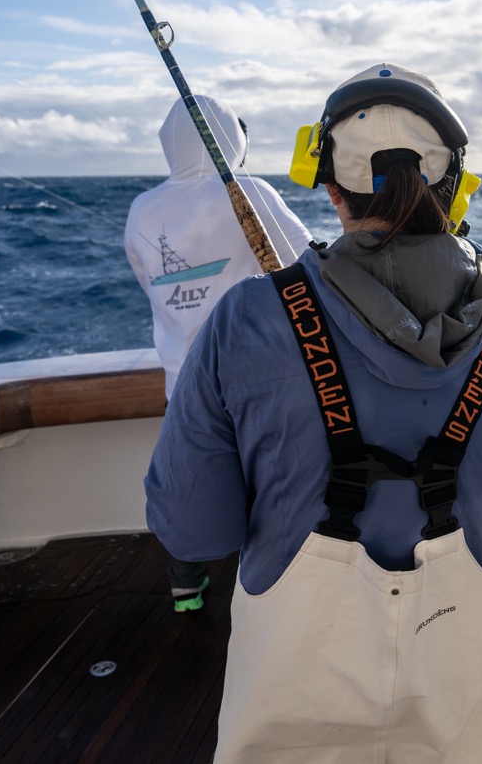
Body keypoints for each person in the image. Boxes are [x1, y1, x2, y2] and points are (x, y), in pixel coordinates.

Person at [144, 63, 482, 762]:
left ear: (330, 185)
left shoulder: (245, 318)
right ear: (453, 179)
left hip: (295, 687)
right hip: (466, 684)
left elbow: (194, 528)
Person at [124, 93, 314, 612]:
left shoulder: (141, 209)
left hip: (181, 380)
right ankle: (268, 601)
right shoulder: (247, 191)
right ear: (232, 138)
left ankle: (186, 586)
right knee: (272, 489)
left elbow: (148, 284)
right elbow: (311, 266)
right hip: (257, 381)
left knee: (195, 484)